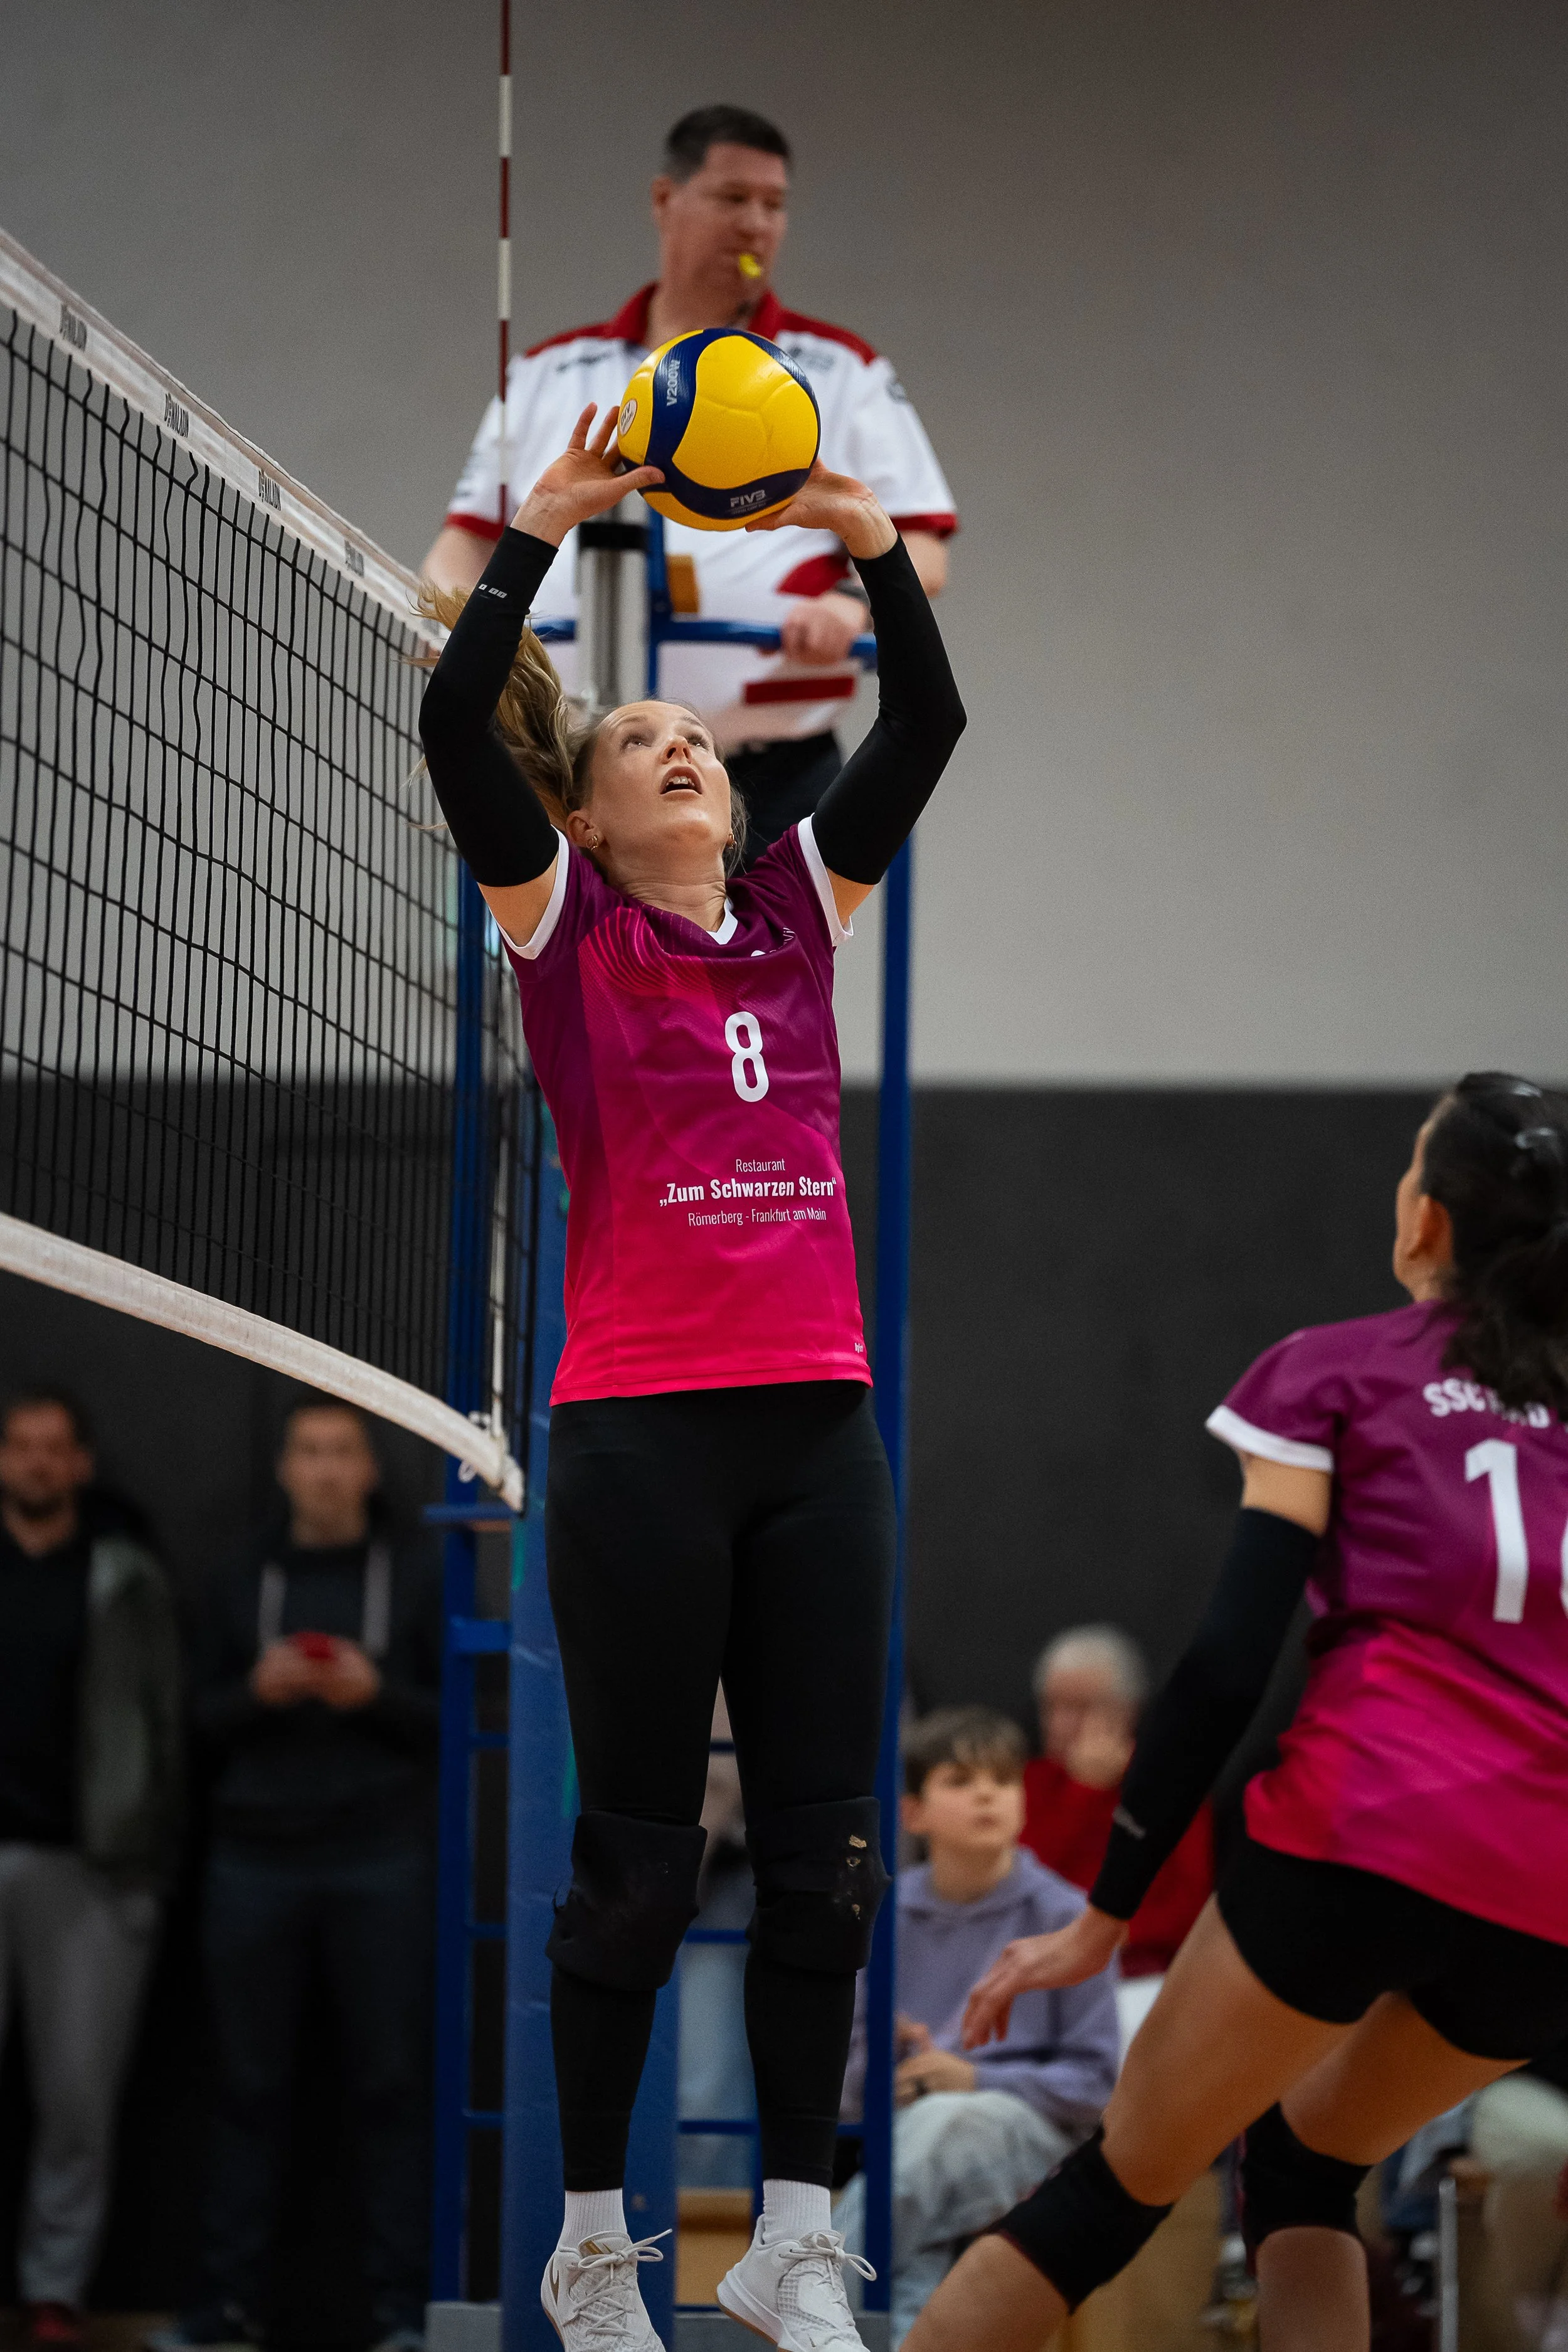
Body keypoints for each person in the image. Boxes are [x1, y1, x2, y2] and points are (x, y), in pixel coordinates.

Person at [416, 398, 964, 2352]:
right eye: (641, 740)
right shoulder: (562, 929)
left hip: (817, 1418)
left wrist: (866, 537)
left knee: (823, 1844)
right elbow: (448, 724)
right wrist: (540, 528)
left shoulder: (800, 915)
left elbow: (925, 727)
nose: (680, 748)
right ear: (584, 817)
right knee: (638, 1858)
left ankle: (795, 2235)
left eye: (696, 742)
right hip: (637, 1427)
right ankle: (587, 2235)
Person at [901, 1072, 1568, 2352]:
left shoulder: (1336, 1370)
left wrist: (1101, 1917)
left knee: (1112, 2189)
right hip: (1545, 1893)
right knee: (1307, 2167)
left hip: (1361, 1829)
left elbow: (1220, 1666)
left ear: (1424, 1220)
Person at [421, 103, 956, 858]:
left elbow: (925, 551)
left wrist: (846, 606)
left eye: (774, 206)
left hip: (775, 776)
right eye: (732, 199)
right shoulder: (550, 370)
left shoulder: (838, 369)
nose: (756, 226)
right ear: (665, 201)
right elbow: (459, 549)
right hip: (571, 763)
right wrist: (472, 634)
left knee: (761, 974)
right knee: (531, 968)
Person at [154, 1398, 442, 2352]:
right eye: (308, 1451)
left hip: (381, 1854)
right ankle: (227, 2305)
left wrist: (375, 1695)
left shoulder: (414, 1574)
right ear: (282, 1467)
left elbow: (459, 1721)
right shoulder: (241, 1575)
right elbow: (194, 1717)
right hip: (254, 1856)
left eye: (341, 1451)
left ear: (367, 1469)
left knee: (395, 2085)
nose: (323, 1469)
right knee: (244, 2086)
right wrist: (258, 1692)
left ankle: (405, 2310)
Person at [836, 1708, 1118, 2346]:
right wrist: (893, 2075)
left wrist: (972, 2076)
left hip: (1037, 2147)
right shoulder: (880, 1918)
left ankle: (809, 2293)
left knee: (952, 2122)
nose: (988, 1794)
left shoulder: (1068, 1916)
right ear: (913, 1814)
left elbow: (1098, 2087)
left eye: (1002, 1779)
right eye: (961, 1780)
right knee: (918, 2270)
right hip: (908, 2142)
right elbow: (844, 2085)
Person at [0, 1389, 182, 2350]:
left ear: (79, 1464)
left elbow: (164, 1728)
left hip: (91, 1867)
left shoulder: (125, 1575)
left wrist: (145, 1858)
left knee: (76, 2098)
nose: (34, 1462)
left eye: (51, 1448)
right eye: (19, 1446)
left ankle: (54, 2294)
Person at [1022, 1625, 1214, 2045]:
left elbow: (1190, 1907)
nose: (1060, 1723)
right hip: (1035, 1977)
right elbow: (1019, 1883)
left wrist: (1098, 1935)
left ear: (1126, 1711)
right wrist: (1082, 1795)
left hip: (1139, 1979)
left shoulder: (1169, 1791)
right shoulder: (1029, 1785)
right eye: (1051, 1707)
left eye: (1079, 1708)